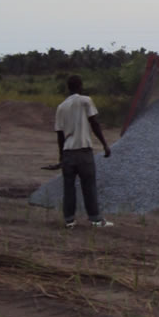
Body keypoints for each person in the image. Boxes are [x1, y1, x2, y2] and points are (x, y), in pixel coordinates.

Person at [55, 74, 114, 229]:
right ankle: (95, 219)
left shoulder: (61, 107)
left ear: (68, 88)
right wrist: (105, 144)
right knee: (89, 186)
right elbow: (94, 123)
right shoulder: (85, 101)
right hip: (83, 151)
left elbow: (60, 135)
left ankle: (69, 220)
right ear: (80, 86)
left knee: (68, 187)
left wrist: (61, 156)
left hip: (68, 152)